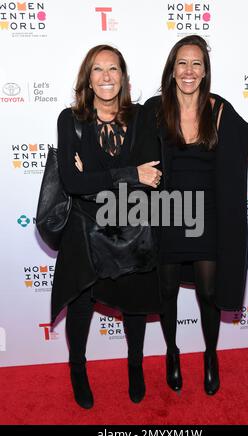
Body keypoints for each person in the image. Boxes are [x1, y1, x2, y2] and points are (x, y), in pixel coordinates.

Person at [138, 35, 248, 396]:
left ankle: (209, 355)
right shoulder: (155, 109)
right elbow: (133, 150)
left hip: (207, 214)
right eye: (182, 63)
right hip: (167, 213)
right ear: (172, 70)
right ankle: (172, 353)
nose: (189, 71)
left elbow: (245, 139)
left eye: (196, 64)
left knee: (208, 291)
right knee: (167, 291)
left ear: (205, 71)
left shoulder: (218, 109)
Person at [51, 44, 162, 408]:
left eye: (113, 69)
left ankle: (135, 365)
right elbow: (72, 182)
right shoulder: (70, 120)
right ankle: (78, 368)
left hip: (130, 224)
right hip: (84, 225)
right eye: (97, 70)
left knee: (134, 301)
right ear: (88, 78)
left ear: (124, 77)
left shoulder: (142, 117)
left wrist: (98, 177)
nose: (106, 77)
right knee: (81, 301)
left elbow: (153, 175)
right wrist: (128, 174)